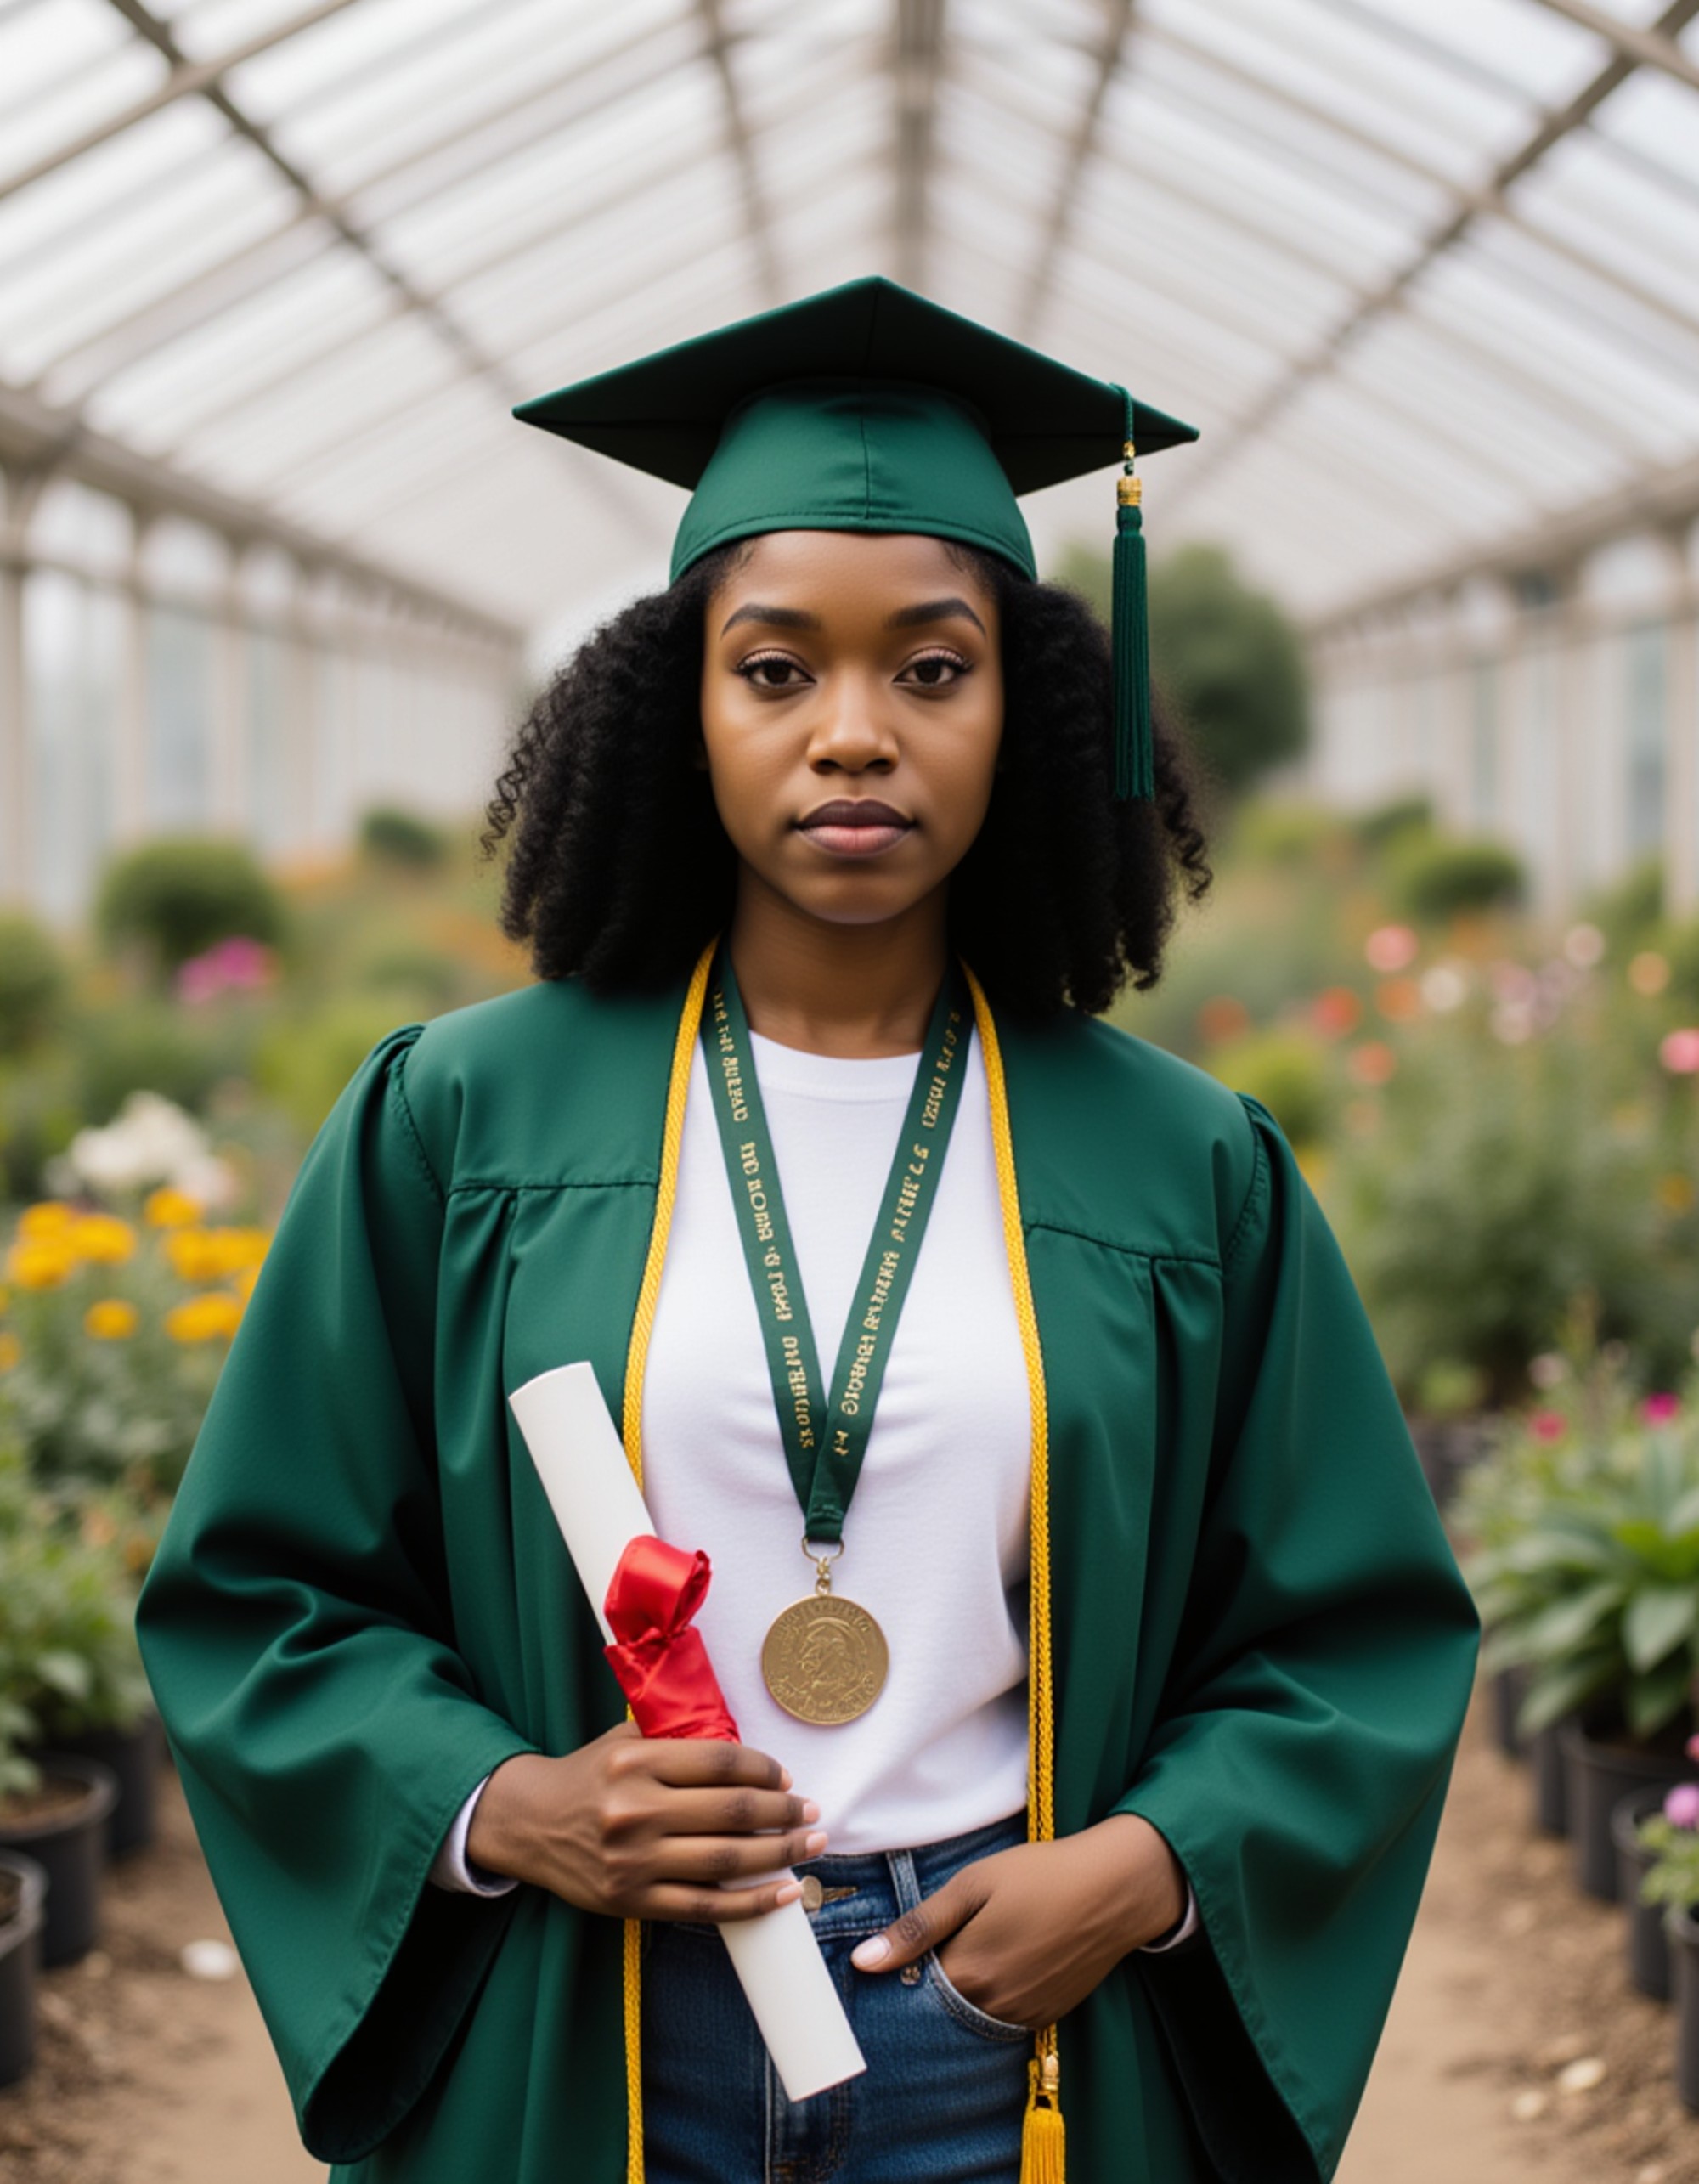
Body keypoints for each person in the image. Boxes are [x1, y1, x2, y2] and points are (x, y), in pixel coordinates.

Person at [136, 278, 1479, 2184]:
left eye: (930, 667)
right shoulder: (463, 1115)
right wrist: (506, 1801)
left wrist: (1150, 1863)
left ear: (1026, 709)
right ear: (679, 705)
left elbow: (1354, 1634)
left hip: (1008, 2016)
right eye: (777, 668)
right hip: (592, 2011)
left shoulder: (1180, 1165)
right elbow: (260, 1588)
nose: (853, 732)